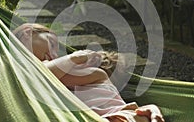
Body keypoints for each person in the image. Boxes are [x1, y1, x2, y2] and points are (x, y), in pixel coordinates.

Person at [13, 23, 164, 122]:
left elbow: (42, 74)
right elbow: (41, 74)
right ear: (28, 32)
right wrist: (74, 58)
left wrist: (73, 59)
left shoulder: (94, 74)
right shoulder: (15, 66)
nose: (54, 55)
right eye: (52, 44)